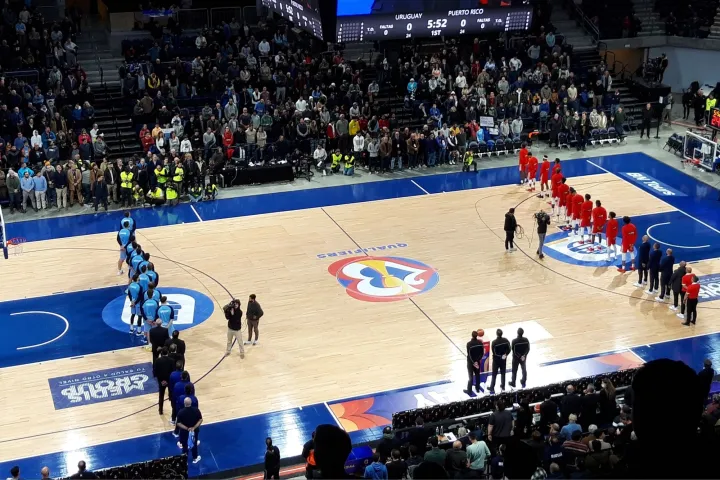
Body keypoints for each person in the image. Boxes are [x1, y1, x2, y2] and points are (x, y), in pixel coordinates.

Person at [177, 396, 203, 463]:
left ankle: (184, 460)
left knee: (184, 445)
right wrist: (193, 428)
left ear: (184, 403)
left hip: (184, 432)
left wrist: (187, 428)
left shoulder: (180, 412)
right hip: (194, 431)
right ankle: (195, 458)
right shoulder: (196, 410)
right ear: (191, 402)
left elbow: (178, 423)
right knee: (194, 443)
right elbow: (200, 420)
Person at [154, 347, 174, 414]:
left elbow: (155, 372)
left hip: (161, 381)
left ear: (161, 353)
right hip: (169, 381)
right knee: (171, 395)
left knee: (161, 396)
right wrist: (168, 381)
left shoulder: (157, 360)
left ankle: (160, 410)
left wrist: (161, 380)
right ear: (167, 352)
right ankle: (173, 409)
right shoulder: (171, 360)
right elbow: (172, 372)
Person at [465, 329, 485, 394]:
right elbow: (482, 353)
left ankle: (469, 390)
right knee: (477, 375)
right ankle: (477, 388)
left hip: (471, 363)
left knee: (470, 376)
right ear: (477, 336)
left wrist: (473, 362)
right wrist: (477, 361)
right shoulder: (480, 343)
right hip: (477, 362)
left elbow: (469, 354)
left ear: (472, 336)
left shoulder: (469, 344)